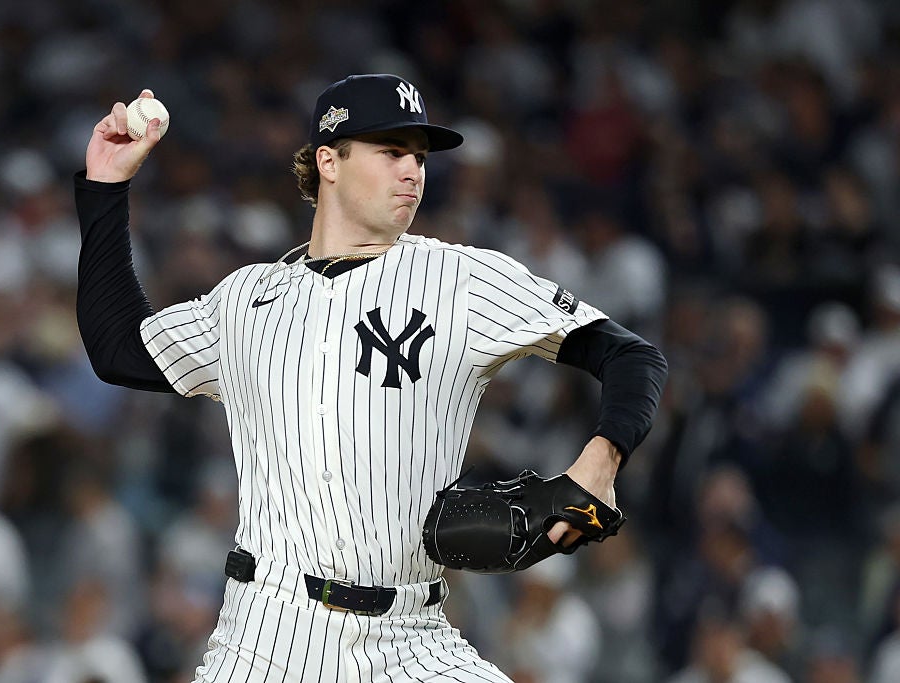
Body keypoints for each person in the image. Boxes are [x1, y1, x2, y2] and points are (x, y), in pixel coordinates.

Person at [74, 74, 667, 682]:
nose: (412, 171)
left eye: (419, 157)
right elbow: (118, 348)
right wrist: (106, 186)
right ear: (329, 161)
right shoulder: (246, 300)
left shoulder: (459, 280)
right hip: (263, 641)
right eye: (390, 152)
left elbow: (631, 357)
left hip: (411, 636)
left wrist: (601, 461)